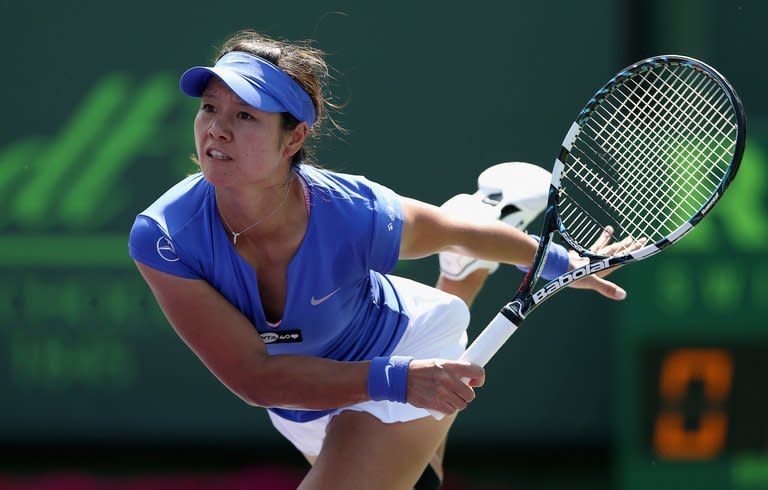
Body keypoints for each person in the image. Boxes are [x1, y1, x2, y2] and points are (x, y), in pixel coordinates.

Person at [128, 30, 632, 490]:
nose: (216, 129)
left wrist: (561, 263)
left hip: (403, 343)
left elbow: (447, 228)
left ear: (295, 137)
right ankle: (463, 275)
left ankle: (461, 277)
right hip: (302, 399)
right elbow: (256, 377)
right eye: (210, 108)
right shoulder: (165, 237)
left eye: (244, 116)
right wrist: (402, 382)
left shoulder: (349, 210)